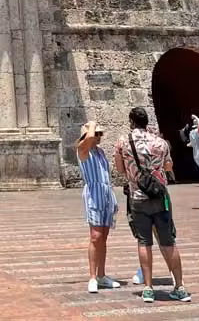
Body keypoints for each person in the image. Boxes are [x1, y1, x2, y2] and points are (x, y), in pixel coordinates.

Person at [115, 107, 191, 303]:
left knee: (144, 242)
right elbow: (168, 167)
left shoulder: (123, 142)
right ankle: (180, 287)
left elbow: (120, 169)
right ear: (147, 121)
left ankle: (148, 288)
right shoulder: (161, 142)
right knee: (168, 242)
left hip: (138, 197)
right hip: (160, 197)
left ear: (131, 121)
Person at [77, 120, 120, 294]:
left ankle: (102, 275)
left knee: (104, 236)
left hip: (106, 193)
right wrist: (91, 126)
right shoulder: (83, 149)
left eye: (100, 134)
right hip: (93, 194)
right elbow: (88, 140)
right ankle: (92, 276)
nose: (99, 137)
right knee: (95, 236)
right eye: (97, 134)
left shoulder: (100, 152)